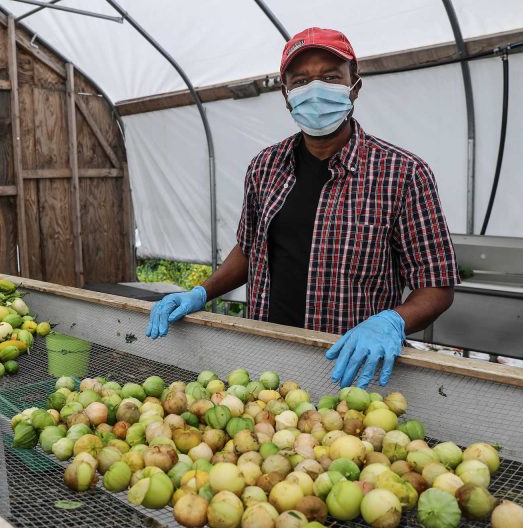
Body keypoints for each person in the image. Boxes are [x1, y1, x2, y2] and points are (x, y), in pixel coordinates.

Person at [146, 27, 459, 388]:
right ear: (286, 95)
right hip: (267, 362)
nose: (316, 90)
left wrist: (391, 321)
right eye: (301, 80)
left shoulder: (403, 174)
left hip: (351, 369)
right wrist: (200, 292)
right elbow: (250, 250)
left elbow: (436, 285)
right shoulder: (265, 167)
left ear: (354, 86)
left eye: (330, 77)